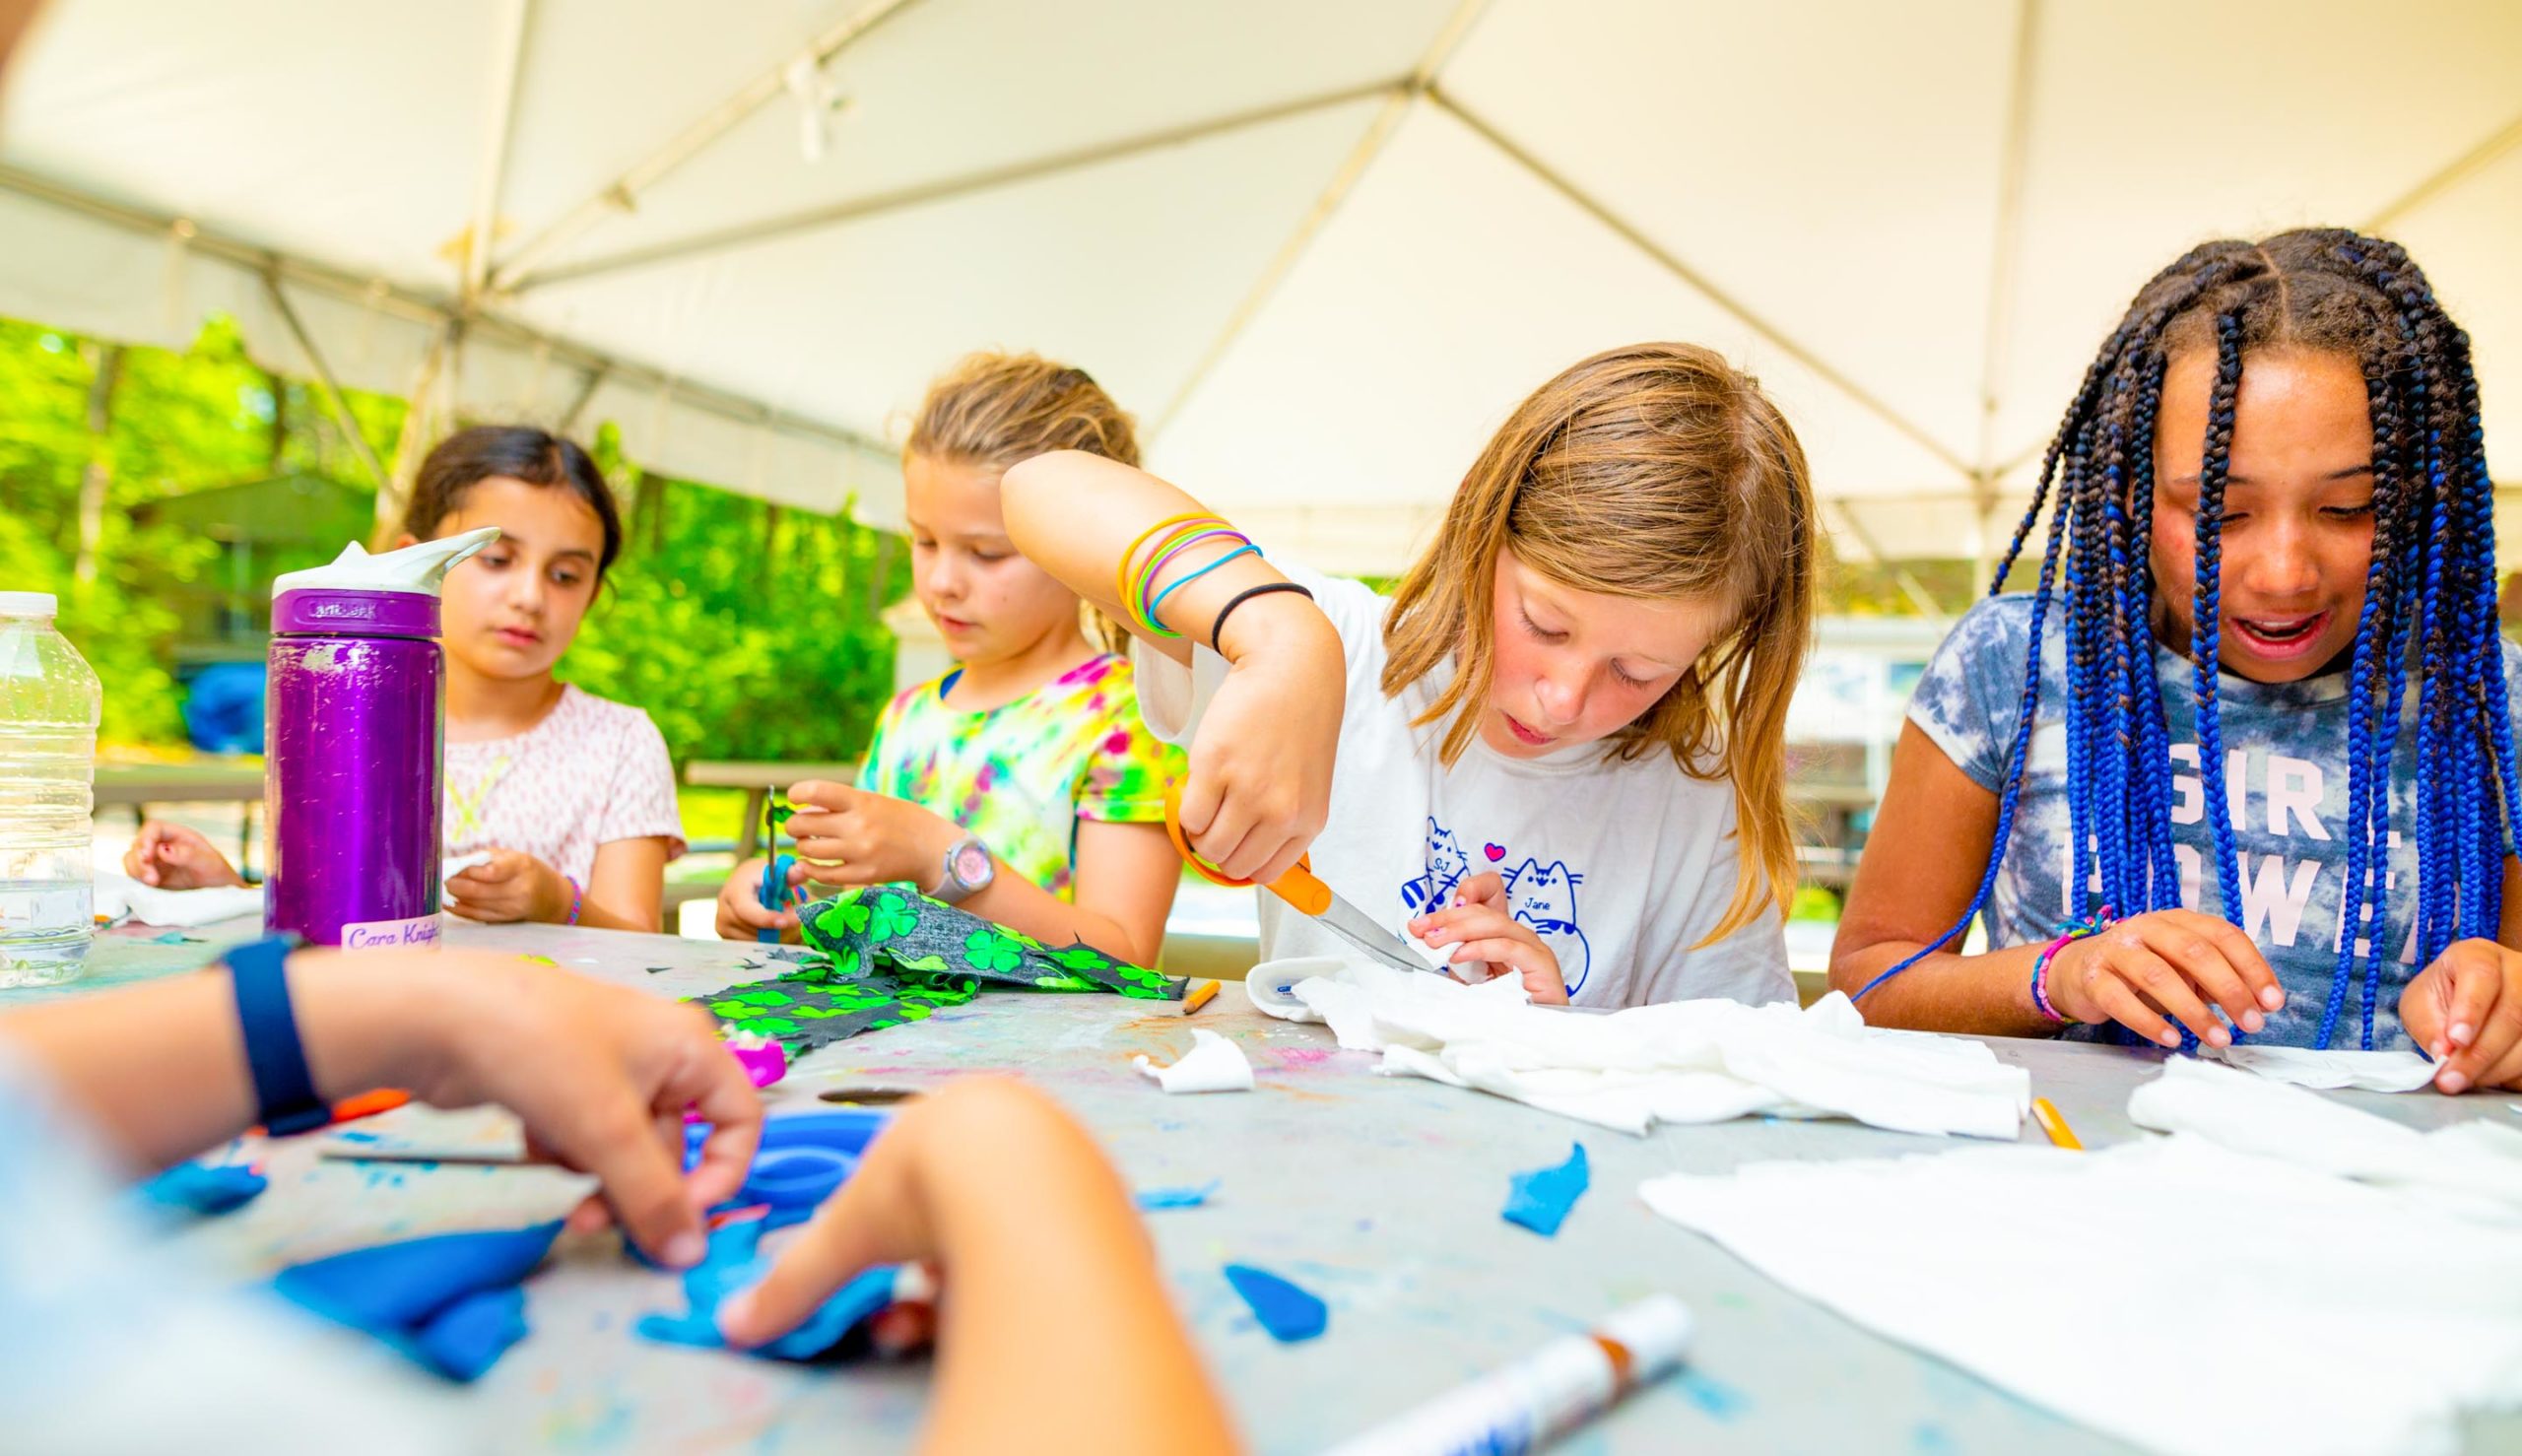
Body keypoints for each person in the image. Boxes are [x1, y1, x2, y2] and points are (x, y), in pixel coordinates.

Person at [1830, 229, 2522, 1094]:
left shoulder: (2490, 699)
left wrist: (2502, 1012)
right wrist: (2059, 975)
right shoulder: (2010, 667)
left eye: (2348, 508)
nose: (2284, 573)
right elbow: (1867, 987)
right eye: (2220, 514)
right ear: (2129, 494)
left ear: (2419, 497)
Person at [1002, 342, 1816, 1008]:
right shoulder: (1346, 648)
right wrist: (1284, 641)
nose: (1563, 699)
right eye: (1544, 625)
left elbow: (1740, 1071)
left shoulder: (1697, 800)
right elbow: (1041, 487)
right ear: (1483, 531)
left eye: (1637, 672)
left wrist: (1553, 1040)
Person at [717, 354, 1183, 965]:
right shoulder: (906, 719)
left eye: (986, 553)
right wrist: (787, 905)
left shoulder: (1130, 717)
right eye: (924, 540)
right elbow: (872, 922)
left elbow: (1124, 956)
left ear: (1084, 551)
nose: (941, 582)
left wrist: (943, 858)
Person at [129, 427, 685, 932]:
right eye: (496, 560)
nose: (530, 597)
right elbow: (333, 913)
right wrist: (227, 891)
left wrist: (558, 901)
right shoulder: (346, 720)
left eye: (565, 575)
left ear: (593, 593)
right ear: (414, 563)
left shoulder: (621, 742)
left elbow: (642, 941)